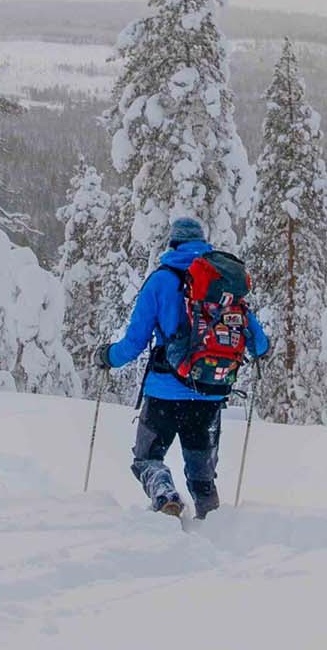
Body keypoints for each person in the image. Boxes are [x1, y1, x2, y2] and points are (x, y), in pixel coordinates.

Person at [94, 216, 269, 519]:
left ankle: (164, 495)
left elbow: (134, 342)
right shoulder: (222, 285)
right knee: (202, 475)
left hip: (164, 390)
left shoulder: (161, 281)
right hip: (209, 393)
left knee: (146, 459)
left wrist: (107, 357)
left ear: (172, 243)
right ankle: (215, 525)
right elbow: (260, 344)